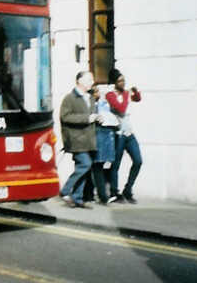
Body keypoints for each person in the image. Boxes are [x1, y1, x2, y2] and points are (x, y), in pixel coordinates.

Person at [58, 71, 102, 208]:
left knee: (83, 167)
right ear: (80, 81)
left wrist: (98, 118)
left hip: (89, 140)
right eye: (89, 79)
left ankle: (77, 198)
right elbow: (65, 117)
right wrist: (87, 118)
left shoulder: (90, 98)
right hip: (76, 139)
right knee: (85, 164)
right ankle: (65, 190)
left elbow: (92, 116)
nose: (92, 82)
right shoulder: (69, 98)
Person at [106, 69, 143, 204]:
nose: (123, 83)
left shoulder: (126, 94)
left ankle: (128, 190)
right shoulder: (110, 95)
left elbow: (137, 99)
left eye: (124, 80)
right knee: (116, 164)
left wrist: (136, 92)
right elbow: (121, 109)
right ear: (114, 82)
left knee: (138, 161)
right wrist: (127, 95)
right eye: (120, 81)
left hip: (129, 133)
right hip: (119, 134)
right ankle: (114, 192)